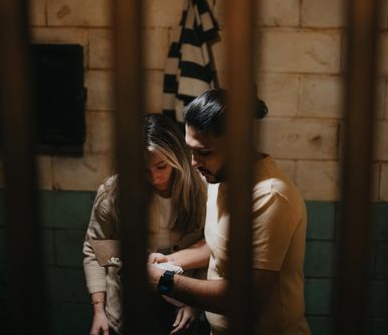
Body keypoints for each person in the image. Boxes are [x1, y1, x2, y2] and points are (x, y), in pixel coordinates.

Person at [147, 89, 310, 334]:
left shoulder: (269, 196)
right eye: (191, 149)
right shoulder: (219, 178)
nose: (193, 162)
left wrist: (162, 280)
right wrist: (170, 261)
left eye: (204, 152)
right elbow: (222, 246)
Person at [83, 113, 207, 335]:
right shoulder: (114, 193)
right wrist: (99, 311)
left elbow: (213, 251)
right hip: (126, 304)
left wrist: (194, 303)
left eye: (161, 166)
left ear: (176, 157)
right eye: (144, 170)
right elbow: (93, 250)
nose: (155, 178)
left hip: (181, 300)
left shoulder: (201, 191)